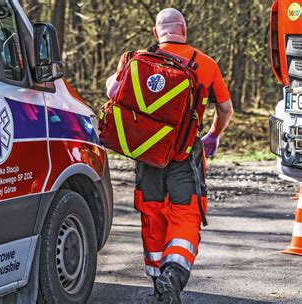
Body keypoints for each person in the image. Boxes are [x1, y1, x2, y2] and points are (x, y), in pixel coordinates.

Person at [106, 8, 234, 303]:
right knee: (185, 216)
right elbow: (226, 109)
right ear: (184, 31)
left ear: (156, 33)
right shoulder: (205, 64)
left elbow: (112, 91)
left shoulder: (132, 59)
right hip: (184, 155)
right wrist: (213, 134)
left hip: (147, 156)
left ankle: (158, 283)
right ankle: (172, 276)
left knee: (152, 215)